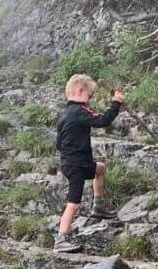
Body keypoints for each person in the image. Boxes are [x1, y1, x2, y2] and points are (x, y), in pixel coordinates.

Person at [54, 74, 124, 253]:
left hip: (73, 163)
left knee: (100, 169)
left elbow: (59, 144)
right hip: (77, 165)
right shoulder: (79, 111)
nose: (90, 100)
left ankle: (98, 208)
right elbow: (102, 121)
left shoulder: (64, 115)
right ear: (80, 91)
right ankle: (61, 239)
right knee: (73, 202)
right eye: (90, 96)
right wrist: (116, 103)